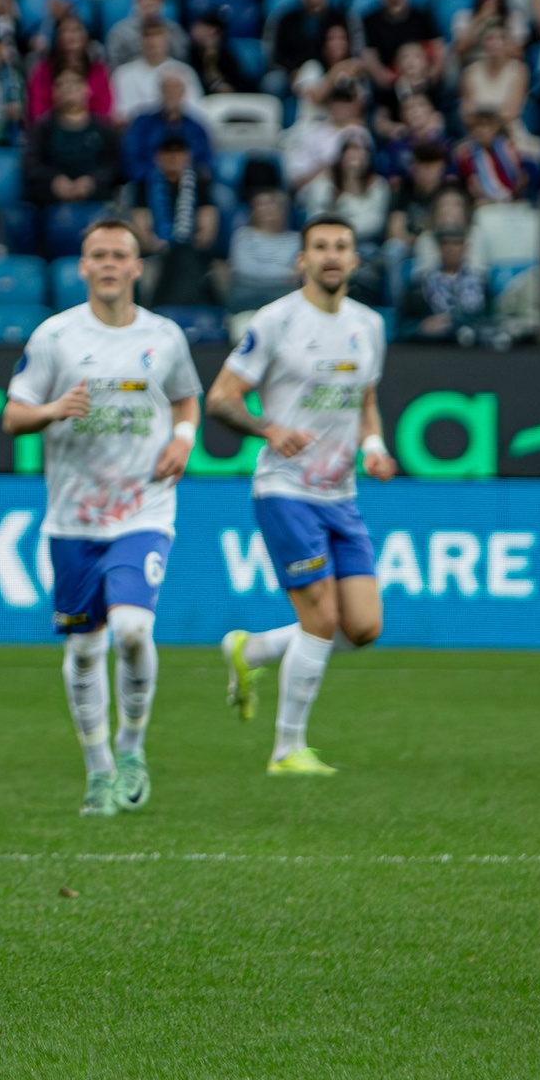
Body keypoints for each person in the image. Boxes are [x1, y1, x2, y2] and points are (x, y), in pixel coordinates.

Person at [3, 219, 201, 817]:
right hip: (73, 519)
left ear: (137, 267)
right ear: (83, 267)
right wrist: (52, 410)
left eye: (120, 254)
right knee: (86, 650)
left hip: (144, 508)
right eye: (98, 255)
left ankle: (132, 748)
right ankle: (98, 771)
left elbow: (185, 398)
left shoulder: (164, 336)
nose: (110, 263)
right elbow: (13, 416)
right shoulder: (56, 336)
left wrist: (184, 438)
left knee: (134, 629)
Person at [208, 216, 397, 776]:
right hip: (285, 490)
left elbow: (366, 402)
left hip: (341, 494)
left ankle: (253, 649)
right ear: (302, 261)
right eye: (320, 247)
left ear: (355, 260)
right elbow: (221, 398)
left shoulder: (369, 326)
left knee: (362, 627)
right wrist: (268, 429)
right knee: (320, 615)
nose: (331, 256)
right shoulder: (275, 321)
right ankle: (287, 750)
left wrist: (374, 447)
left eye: (341, 246)